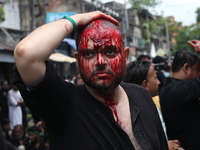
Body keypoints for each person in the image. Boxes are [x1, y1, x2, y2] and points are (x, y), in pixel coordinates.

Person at [13, 11, 168, 149]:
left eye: (110, 51)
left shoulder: (142, 96)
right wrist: (78, 20)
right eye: (88, 54)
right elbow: (25, 53)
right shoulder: (63, 104)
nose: (100, 61)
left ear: (126, 57)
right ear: (78, 59)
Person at [124, 60, 184, 150]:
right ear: (146, 84)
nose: (158, 82)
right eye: (155, 78)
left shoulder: (150, 103)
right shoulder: (136, 112)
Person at [159, 50, 200, 150]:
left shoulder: (166, 87)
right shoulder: (181, 90)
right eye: (198, 70)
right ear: (186, 68)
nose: (199, 74)